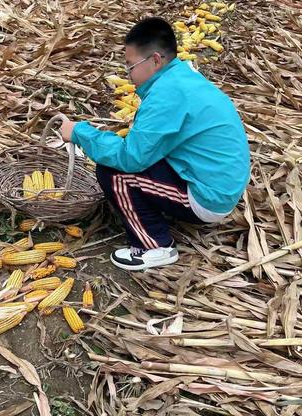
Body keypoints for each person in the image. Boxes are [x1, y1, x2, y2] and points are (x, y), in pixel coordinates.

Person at [60, 17, 250, 271]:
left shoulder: (167, 95)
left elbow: (130, 158)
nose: (128, 73)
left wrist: (81, 133)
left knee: (115, 174)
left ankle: (154, 246)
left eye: (130, 65)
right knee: (129, 160)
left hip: (208, 197)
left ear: (155, 60)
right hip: (219, 181)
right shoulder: (181, 78)